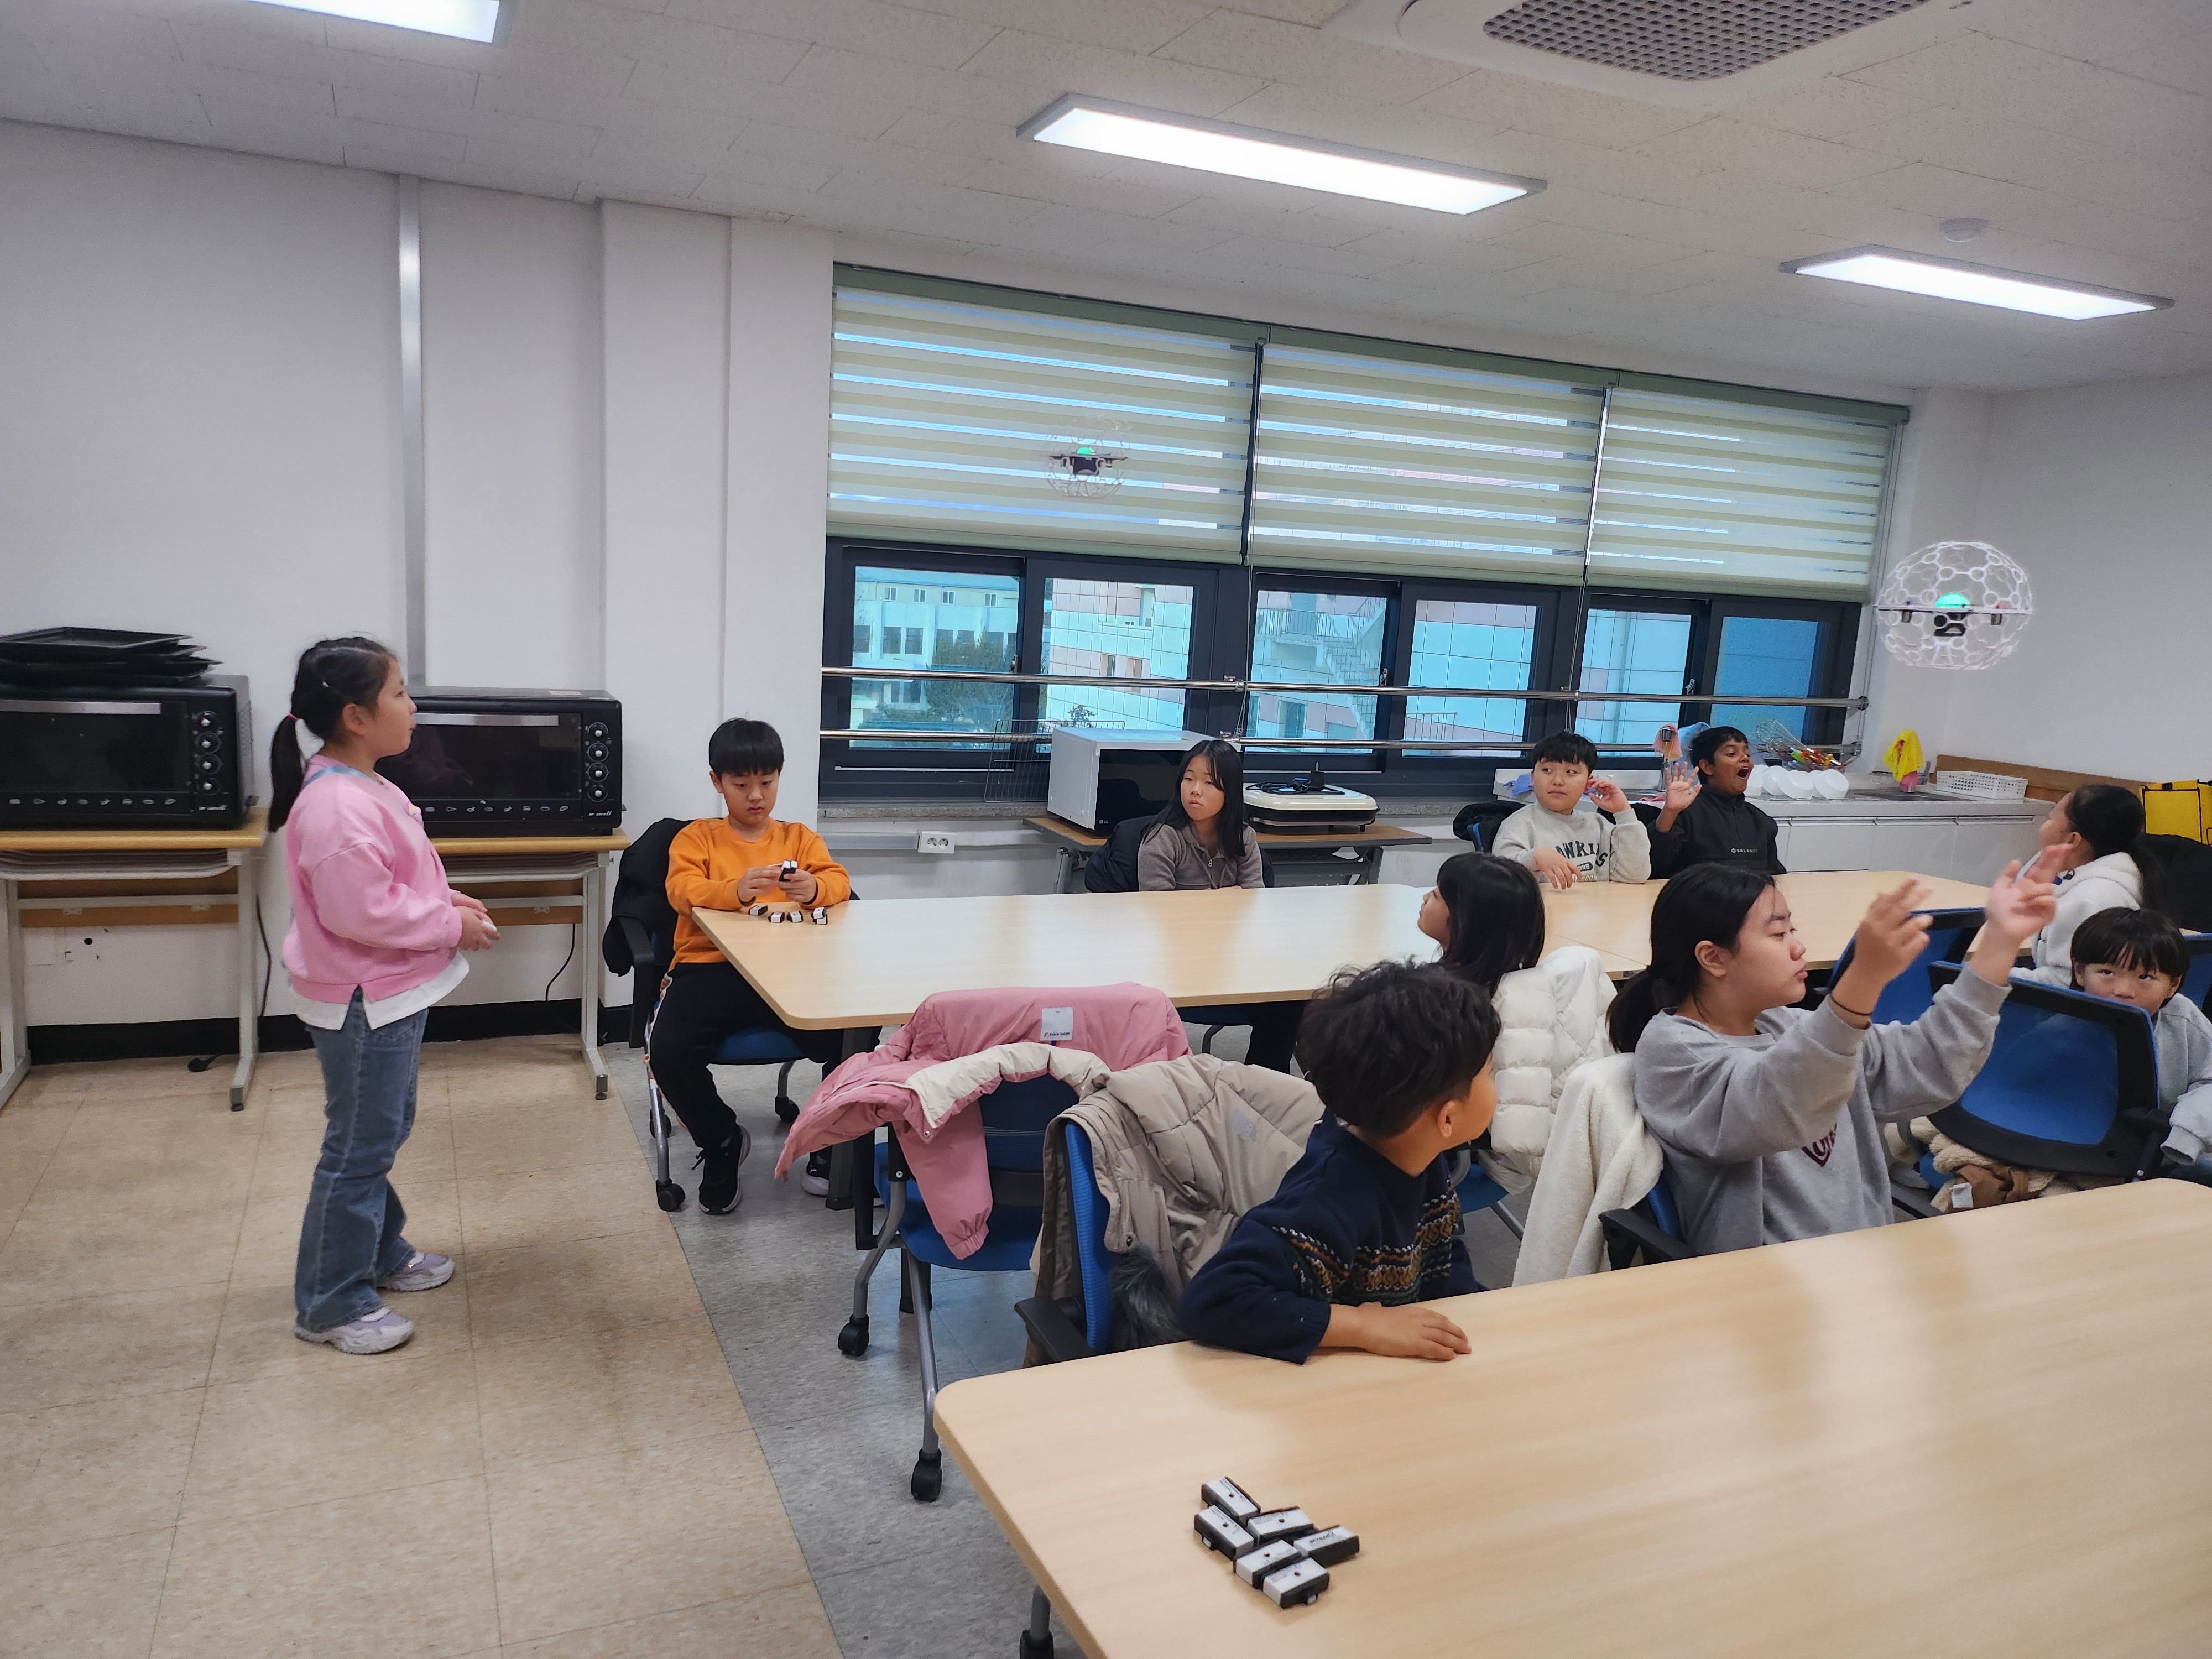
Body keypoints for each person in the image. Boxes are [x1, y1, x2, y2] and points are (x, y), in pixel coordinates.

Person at [1611, 859, 2056, 1255]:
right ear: (1713, 958)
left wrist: (2000, 942)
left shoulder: (1789, 1024)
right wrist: (1862, 980)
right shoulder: (1673, 1053)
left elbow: (1928, 1065)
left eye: (1793, 930)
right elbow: (1777, 1104)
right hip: (1764, 1285)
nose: (1797, 947)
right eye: (1778, 934)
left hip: (1862, 1262)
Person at [274, 638, 498, 1355]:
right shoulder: (337, 804)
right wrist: (449, 926)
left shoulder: (364, 784)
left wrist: (445, 900)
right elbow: (358, 910)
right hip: (363, 998)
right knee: (359, 1147)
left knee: (382, 1128)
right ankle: (330, 1301)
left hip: (384, 993)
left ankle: (379, 1250)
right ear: (356, 716)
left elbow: (390, 880)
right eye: (399, 692)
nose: (412, 705)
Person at [1179, 961, 1496, 1364]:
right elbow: (1211, 1302)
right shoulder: (1327, 1200)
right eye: (1490, 1073)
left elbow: (1445, 1263)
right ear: (1447, 1118)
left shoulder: (1423, 1155)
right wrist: (1360, 1326)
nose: (1496, 1085)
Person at [650, 718, 852, 1214]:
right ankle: (721, 1138)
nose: (756, 795)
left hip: (788, 968)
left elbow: (839, 882)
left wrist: (816, 888)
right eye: (741, 785)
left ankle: (828, 1141)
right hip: (710, 968)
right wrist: (735, 891)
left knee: (855, 1040)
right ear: (717, 782)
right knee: (668, 1053)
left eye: (767, 782)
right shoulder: (697, 838)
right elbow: (681, 891)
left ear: (780, 777)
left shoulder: (799, 838)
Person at [1418, 851, 1613, 1187]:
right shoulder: (1518, 981)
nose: (1425, 898)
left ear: (1464, 922)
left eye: (1436, 895)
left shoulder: (1454, 1005)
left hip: (1459, 1148)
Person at [1136, 739, 1299, 1071]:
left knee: (1291, 1000)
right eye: (1188, 779)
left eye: (1209, 783)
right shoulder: (1162, 838)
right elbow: (1159, 913)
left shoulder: (1243, 838)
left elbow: (1255, 906)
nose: (1195, 790)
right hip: (1177, 966)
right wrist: (1227, 897)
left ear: (1231, 792)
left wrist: (1213, 904)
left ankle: (1261, 1082)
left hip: (1235, 961)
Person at [2066, 907, 2212, 1184]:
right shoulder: (2058, 1023)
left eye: (2145, 977)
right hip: (2071, 1153)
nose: (2123, 991)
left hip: (2164, 1152)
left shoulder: (2183, 1019)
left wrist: (2187, 1133)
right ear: (2080, 972)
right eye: (2107, 972)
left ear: (2173, 985)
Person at [2027, 783, 2171, 984]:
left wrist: (1992, 975)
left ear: (2072, 840)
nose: (2044, 826)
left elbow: (2064, 983)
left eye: (2050, 818)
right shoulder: (2127, 874)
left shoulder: (2090, 900)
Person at [1493, 731, 1651, 887]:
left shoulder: (1600, 826)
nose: (1558, 781)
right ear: (1533, 778)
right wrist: (1534, 858)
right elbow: (1500, 881)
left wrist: (1624, 813)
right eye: (1547, 770)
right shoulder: (1519, 825)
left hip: (1597, 903)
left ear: (1588, 783)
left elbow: (1634, 876)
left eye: (1571, 772)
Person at [1647, 725, 1785, 878]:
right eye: (1732, 754)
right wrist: (1670, 812)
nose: (1745, 758)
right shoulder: (1686, 813)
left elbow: (1776, 876)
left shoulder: (1761, 821)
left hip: (1753, 893)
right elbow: (1655, 864)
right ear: (1707, 767)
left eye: (1747, 754)